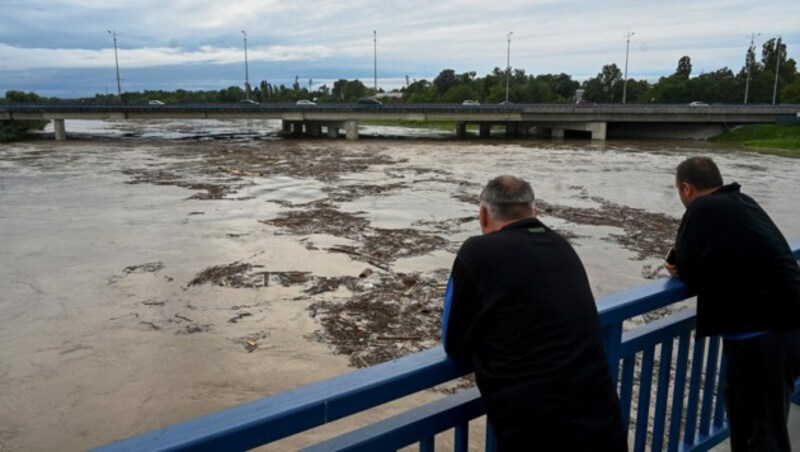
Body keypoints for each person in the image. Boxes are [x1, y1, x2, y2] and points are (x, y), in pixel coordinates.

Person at [442, 175, 627, 451]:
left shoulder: (476, 252)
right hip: (601, 422)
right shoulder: (563, 246)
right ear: (534, 211)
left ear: (483, 214)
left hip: (536, 430)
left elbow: (453, 343)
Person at [665, 156, 800, 452]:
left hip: (760, 337)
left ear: (686, 188)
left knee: (761, 433)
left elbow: (685, 262)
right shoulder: (743, 201)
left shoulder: (702, 208)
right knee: (757, 422)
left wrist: (676, 265)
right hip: (786, 328)